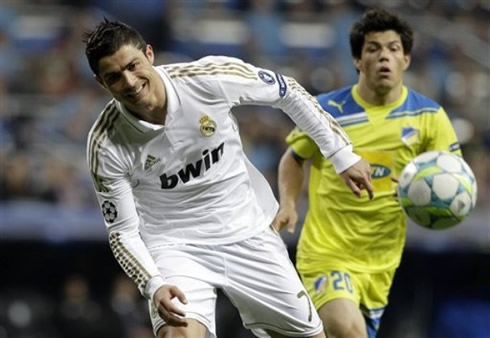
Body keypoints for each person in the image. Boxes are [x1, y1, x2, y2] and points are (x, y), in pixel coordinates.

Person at [82, 19, 373, 338]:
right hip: (175, 245)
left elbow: (286, 90)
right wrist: (153, 284)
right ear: (101, 82)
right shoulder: (106, 143)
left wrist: (342, 155)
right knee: (176, 334)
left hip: (246, 228)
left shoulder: (206, 79)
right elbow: (122, 231)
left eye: (133, 65)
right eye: (114, 76)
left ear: (149, 54)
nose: (130, 81)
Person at [273, 8, 462, 338]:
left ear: (406, 59)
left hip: (381, 262)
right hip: (326, 251)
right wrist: (288, 203)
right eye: (373, 49)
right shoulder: (327, 110)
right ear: (358, 61)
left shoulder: (429, 116)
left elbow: (453, 178)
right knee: (349, 332)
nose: (384, 56)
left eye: (392, 49)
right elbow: (294, 157)